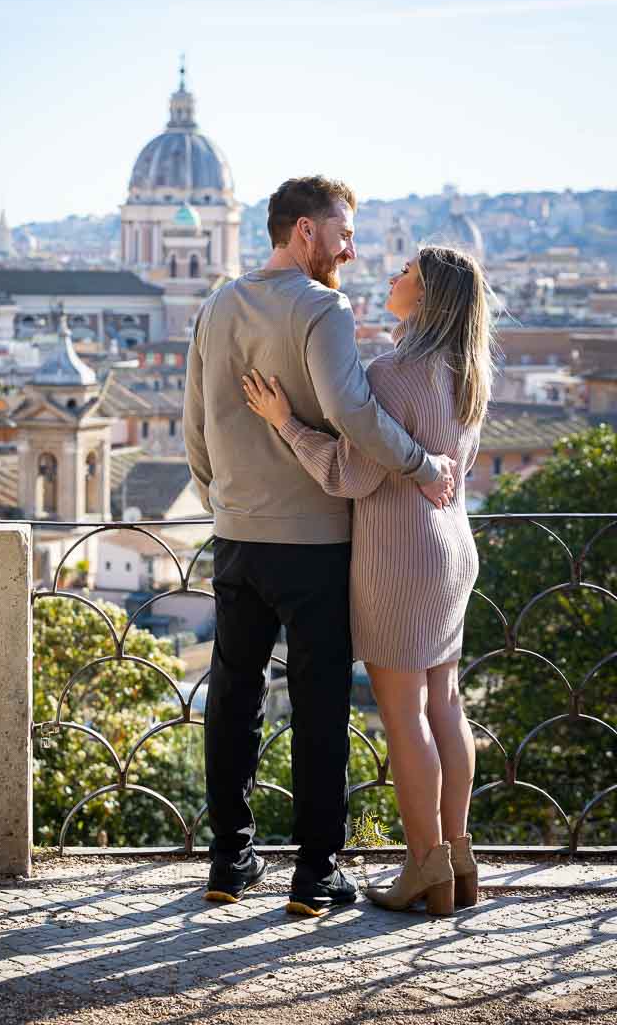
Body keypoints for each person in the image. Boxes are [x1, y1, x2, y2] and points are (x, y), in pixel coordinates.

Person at [183, 176, 456, 917]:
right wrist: (423, 466)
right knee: (319, 703)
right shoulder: (322, 306)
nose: (351, 247)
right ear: (303, 230)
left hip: (236, 536)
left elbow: (193, 427)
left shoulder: (216, 304)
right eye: (342, 232)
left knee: (233, 698)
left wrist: (224, 500)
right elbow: (354, 413)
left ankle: (229, 863)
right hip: (314, 541)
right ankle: (314, 873)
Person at [243, 244, 492, 916]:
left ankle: (423, 867)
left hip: (401, 556)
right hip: (451, 551)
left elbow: (350, 475)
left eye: (406, 271)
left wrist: (286, 424)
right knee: (446, 706)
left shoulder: (392, 374)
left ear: (429, 294)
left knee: (405, 714)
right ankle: (459, 858)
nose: (392, 275)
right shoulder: (467, 373)